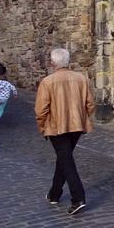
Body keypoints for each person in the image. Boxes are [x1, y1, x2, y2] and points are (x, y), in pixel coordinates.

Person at [35, 48, 94, 215]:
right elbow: (90, 104)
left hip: (57, 127)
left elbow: (41, 110)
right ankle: (54, 194)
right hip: (76, 126)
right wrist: (82, 118)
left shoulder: (48, 82)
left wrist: (43, 126)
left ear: (53, 63)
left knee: (66, 161)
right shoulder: (81, 79)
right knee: (63, 158)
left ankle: (78, 198)